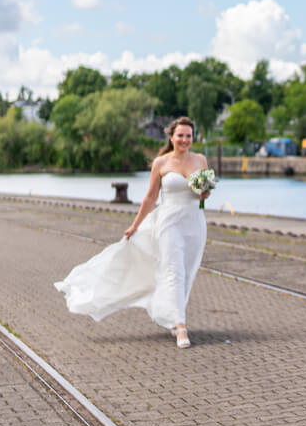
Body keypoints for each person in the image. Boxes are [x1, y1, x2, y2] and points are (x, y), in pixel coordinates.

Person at [55, 117, 212, 349]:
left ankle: (171, 314)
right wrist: (135, 225)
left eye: (189, 135)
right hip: (169, 223)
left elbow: (205, 196)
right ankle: (180, 326)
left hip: (194, 223)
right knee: (174, 271)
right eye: (180, 135)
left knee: (187, 272)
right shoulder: (161, 163)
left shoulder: (201, 160)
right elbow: (150, 197)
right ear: (171, 137)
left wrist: (204, 191)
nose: (184, 140)